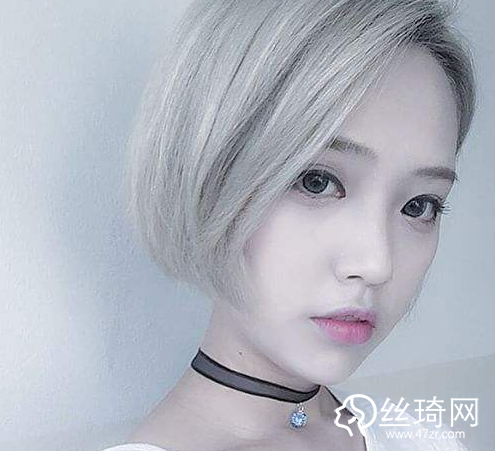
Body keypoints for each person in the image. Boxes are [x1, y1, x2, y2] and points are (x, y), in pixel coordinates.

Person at [101, 0, 476, 450]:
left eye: (419, 206)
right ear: (208, 172)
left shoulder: (420, 439)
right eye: (318, 182)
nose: (377, 264)